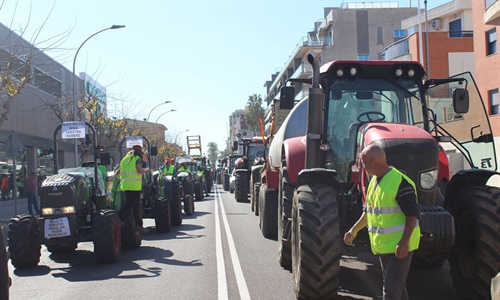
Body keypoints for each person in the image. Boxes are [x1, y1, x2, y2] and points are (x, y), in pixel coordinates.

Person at [343, 144, 421, 300]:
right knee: (398, 289)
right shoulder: (374, 182)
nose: (363, 168)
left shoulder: (399, 182)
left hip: (400, 246)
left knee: (390, 291)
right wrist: (354, 230)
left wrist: (404, 242)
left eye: (364, 164)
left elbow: (413, 214)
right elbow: (369, 213)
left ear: (372, 161)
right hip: (385, 246)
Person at [115, 145, 151, 234]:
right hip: (134, 186)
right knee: (135, 206)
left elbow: (118, 172)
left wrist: (111, 177)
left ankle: (119, 218)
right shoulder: (137, 159)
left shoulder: (124, 160)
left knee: (129, 204)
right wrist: (147, 170)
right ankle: (138, 225)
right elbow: (139, 170)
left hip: (125, 185)